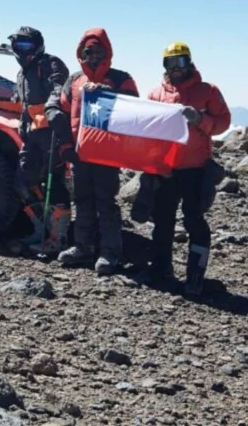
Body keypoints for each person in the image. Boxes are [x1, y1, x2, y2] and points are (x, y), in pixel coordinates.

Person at [0, 26, 71, 252]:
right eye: (17, 46)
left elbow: (59, 92)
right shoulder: (22, 74)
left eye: (26, 46)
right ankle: (41, 231)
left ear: (37, 46)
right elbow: (18, 103)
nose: (21, 51)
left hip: (51, 134)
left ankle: (58, 239)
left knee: (54, 187)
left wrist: (52, 114)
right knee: (23, 183)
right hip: (31, 137)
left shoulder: (50, 64)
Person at [45, 28, 138, 275]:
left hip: (107, 154)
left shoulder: (121, 79)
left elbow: (135, 111)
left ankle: (110, 253)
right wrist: (58, 126)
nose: (94, 56)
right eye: (89, 52)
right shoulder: (75, 80)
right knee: (83, 201)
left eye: (99, 51)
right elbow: (60, 105)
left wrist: (108, 94)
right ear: (81, 53)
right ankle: (83, 247)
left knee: (106, 202)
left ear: (108, 53)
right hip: (79, 153)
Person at [144, 41, 231, 296]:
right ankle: (161, 270)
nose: (176, 68)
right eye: (171, 63)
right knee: (162, 221)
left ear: (189, 62)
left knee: (194, 220)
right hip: (166, 169)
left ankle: (195, 275)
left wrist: (201, 120)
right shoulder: (155, 94)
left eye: (180, 62)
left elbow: (223, 122)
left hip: (195, 169)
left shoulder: (208, 91)